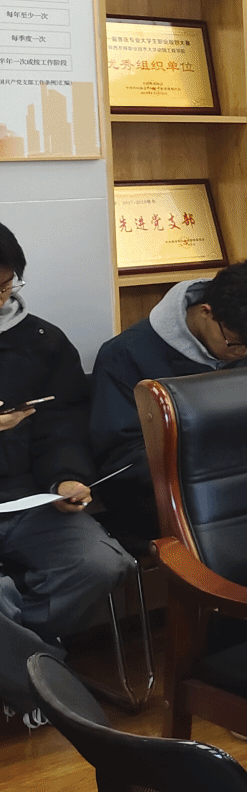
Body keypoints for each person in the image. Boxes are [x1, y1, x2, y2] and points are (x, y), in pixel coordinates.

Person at [0, 225, 131, 721]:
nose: (0, 299)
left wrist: (66, 479)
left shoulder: (41, 341)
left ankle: (17, 659)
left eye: (6, 285)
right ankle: (40, 679)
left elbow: (64, 425)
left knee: (99, 563)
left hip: (29, 499)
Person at [91, 261, 247, 540]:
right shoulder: (126, 356)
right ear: (206, 312)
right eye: (237, 343)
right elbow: (120, 460)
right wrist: (212, 463)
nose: (245, 354)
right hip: (174, 498)